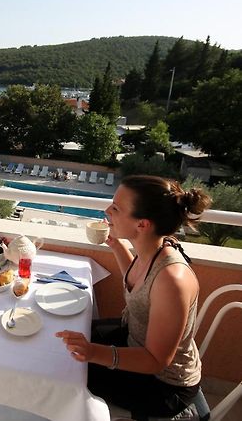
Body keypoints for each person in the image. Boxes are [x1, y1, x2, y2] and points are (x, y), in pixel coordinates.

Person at [56, 175, 212, 419]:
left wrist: (93, 352)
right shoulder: (153, 246)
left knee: (65, 374)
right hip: (133, 339)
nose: (107, 210)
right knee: (68, 336)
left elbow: (155, 360)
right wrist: (117, 245)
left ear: (142, 224)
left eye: (116, 208)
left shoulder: (172, 280)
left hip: (164, 385)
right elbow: (139, 283)